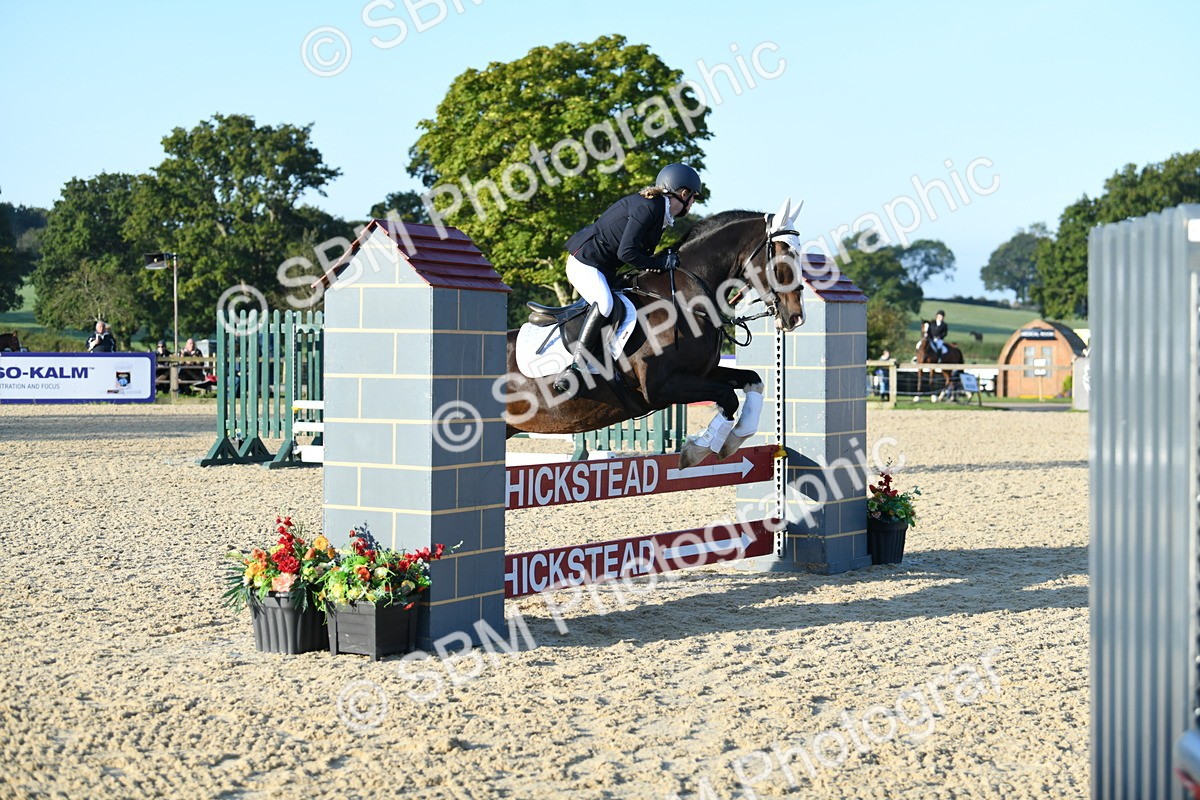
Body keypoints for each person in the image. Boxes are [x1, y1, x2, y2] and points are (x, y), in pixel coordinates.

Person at [552, 163, 703, 392]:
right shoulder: (649, 208)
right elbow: (627, 253)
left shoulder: (657, 211)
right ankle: (576, 368)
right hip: (584, 263)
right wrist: (661, 263)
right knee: (604, 304)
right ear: (683, 194)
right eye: (693, 197)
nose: (692, 204)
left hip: (603, 268)